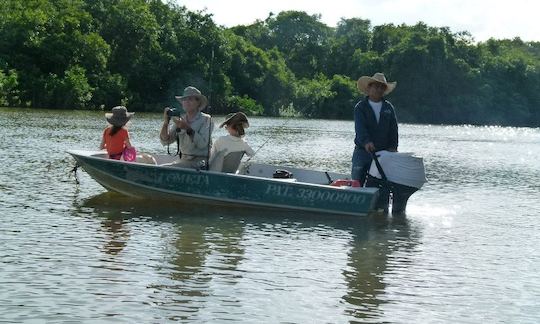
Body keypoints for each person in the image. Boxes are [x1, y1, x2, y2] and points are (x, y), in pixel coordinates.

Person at [351, 72, 399, 183]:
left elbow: (393, 130)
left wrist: (393, 147)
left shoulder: (389, 108)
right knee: (357, 182)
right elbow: (360, 128)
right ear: (369, 87)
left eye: (382, 87)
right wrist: (366, 142)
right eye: (376, 86)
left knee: (380, 185)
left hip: (383, 154)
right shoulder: (360, 107)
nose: (379, 89)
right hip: (362, 152)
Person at [160, 86, 214, 168]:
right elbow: (166, 141)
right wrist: (166, 122)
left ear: (198, 103)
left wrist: (187, 128)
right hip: (184, 161)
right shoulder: (181, 120)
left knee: (163, 168)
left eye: (190, 99)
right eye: (184, 100)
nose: (186, 102)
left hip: (200, 163)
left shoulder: (207, 119)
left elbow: (202, 144)